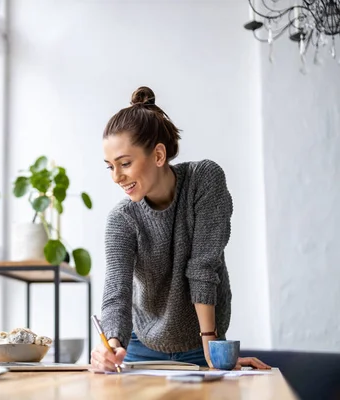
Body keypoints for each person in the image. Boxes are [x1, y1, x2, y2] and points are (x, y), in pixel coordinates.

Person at [91, 86, 270, 372]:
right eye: (110, 166)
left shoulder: (204, 180)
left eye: (124, 163)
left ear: (158, 155)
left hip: (202, 345)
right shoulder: (121, 219)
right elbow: (117, 291)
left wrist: (214, 350)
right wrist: (111, 346)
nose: (116, 177)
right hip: (140, 349)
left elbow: (202, 266)